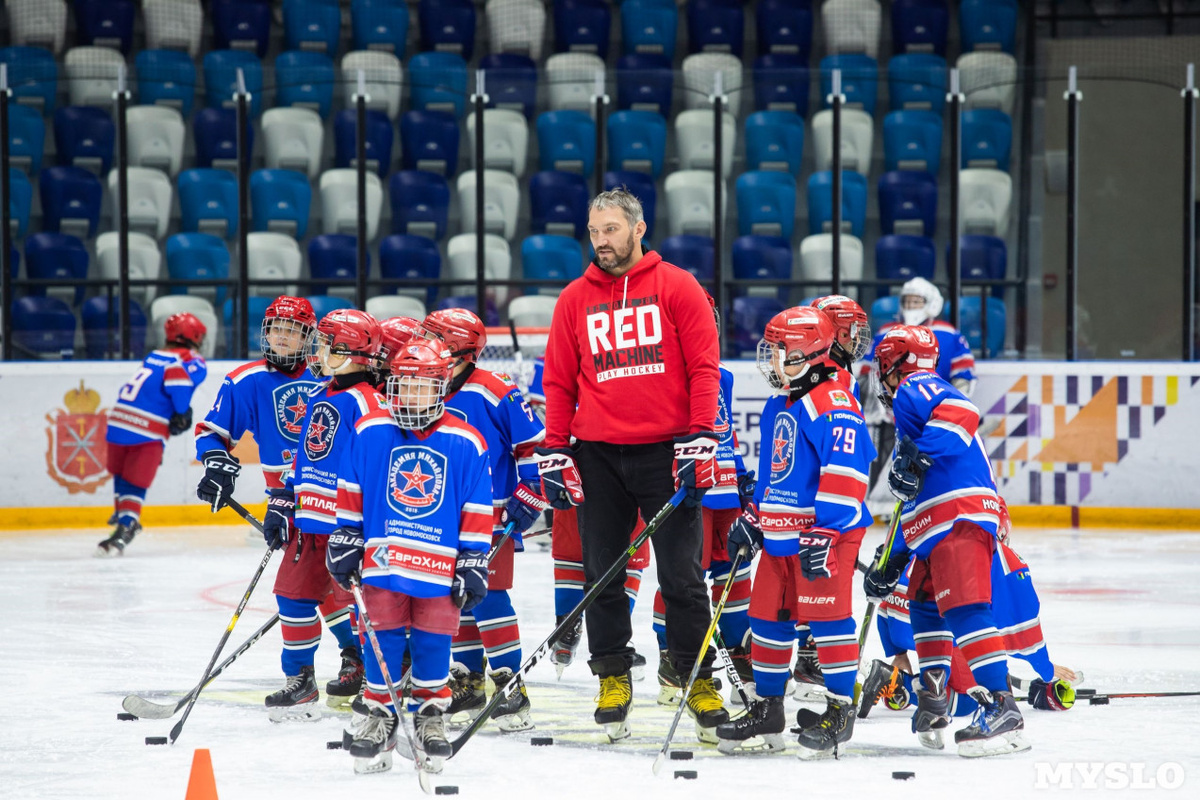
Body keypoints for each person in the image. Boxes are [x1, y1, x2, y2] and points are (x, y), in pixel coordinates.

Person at [537, 187, 728, 742]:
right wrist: (555, 447)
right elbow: (558, 380)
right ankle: (613, 676)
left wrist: (700, 438)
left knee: (682, 577)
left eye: (611, 229)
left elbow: (703, 367)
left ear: (638, 229)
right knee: (603, 575)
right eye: (594, 230)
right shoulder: (574, 298)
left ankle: (696, 678)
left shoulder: (677, 286)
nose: (601, 241)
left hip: (667, 452)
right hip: (597, 455)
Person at [327, 338, 493, 774]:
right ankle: (380, 716)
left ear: (441, 388)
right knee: (380, 636)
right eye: (402, 385)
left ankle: (430, 715)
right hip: (382, 562)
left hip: (439, 566)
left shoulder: (466, 439)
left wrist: (474, 559)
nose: (410, 396)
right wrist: (347, 535)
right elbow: (351, 488)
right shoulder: (369, 430)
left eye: (422, 386)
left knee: (434, 639)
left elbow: (476, 506)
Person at [715, 306, 874, 758]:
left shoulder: (833, 401)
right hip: (782, 538)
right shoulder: (778, 404)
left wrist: (826, 531)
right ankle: (768, 708)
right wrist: (755, 517)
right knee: (766, 618)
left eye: (780, 351)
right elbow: (774, 475)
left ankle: (840, 709)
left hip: (825, 537)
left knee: (827, 621)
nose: (771, 361)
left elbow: (847, 471)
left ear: (809, 353)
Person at [865, 324, 1027, 758]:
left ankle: (1001, 706)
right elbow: (913, 503)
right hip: (936, 527)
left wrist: (917, 454)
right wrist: (893, 561)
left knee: (965, 610)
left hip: (957, 521)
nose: (879, 373)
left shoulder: (915, 387)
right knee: (921, 601)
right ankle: (934, 695)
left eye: (883, 364)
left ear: (896, 363)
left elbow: (963, 412)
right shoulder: (913, 418)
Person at [193, 296, 331, 710]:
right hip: (289, 505)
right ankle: (302, 677)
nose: (281, 336)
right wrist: (218, 464)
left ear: (309, 337)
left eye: (292, 330)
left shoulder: (335, 378)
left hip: (342, 500)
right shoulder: (246, 381)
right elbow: (212, 431)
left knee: (344, 591)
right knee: (296, 591)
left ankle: (357, 663)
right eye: (275, 328)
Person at [417, 308, 546, 732]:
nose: (424, 344)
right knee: (458, 597)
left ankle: (511, 683)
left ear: (458, 349)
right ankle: (469, 682)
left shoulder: (493, 390)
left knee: (488, 597)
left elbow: (534, 445)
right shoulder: (422, 387)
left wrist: (530, 490)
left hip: (490, 515)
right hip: (439, 515)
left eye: (435, 338)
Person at [258, 309, 384, 719]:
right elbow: (303, 456)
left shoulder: (369, 402)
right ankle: (301, 680)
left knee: (358, 605)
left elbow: (376, 464)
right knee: (291, 597)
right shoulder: (319, 393)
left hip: (348, 527)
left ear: (350, 353)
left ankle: (371, 678)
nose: (319, 349)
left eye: (328, 344)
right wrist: (282, 500)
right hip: (308, 522)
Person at [859, 498, 1080, 729]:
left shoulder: (922, 536)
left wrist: (898, 652)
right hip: (946, 633)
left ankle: (904, 681)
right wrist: (1045, 668)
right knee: (967, 702)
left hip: (906, 629)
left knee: (946, 666)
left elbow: (885, 599)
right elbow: (1020, 624)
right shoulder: (1000, 557)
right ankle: (895, 681)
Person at [653, 294, 755, 700]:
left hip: (725, 488)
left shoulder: (723, 375)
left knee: (735, 572)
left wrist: (742, 473)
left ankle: (737, 649)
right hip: (688, 487)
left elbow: (723, 434)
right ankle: (670, 654)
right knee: (681, 574)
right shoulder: (662, 375)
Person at [787, 294, 873, 696]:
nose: (858, 339)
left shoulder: (829, 370)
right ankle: (813, 661)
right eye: (852, 330)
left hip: (813, 501)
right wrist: (838, 511)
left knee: (810, 586)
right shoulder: (830, 376)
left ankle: (809, 658)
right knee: (823, 591)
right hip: (820, 505)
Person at [861, 278, 977, 516]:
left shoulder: (949, 334)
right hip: (892, 411)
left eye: (917, 301)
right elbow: (868, 373)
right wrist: (880, 407)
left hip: (932, 411)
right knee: (892, 460)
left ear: (932, 303)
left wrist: (947, 401)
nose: (911, 306)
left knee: (925, 460)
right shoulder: (886, 332)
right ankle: (887, 506)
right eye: (907, 301)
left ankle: (924, 503)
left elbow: (963, 377)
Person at [98, 313, 208, 556]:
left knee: (121, 474)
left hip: (118, 422)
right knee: (136, 482)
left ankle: (121, 514)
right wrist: (182, 412)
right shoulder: (190, 359)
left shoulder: (153, 355)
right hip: (146, 428)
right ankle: (128, 525)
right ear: (192, 336)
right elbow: (178, 380)